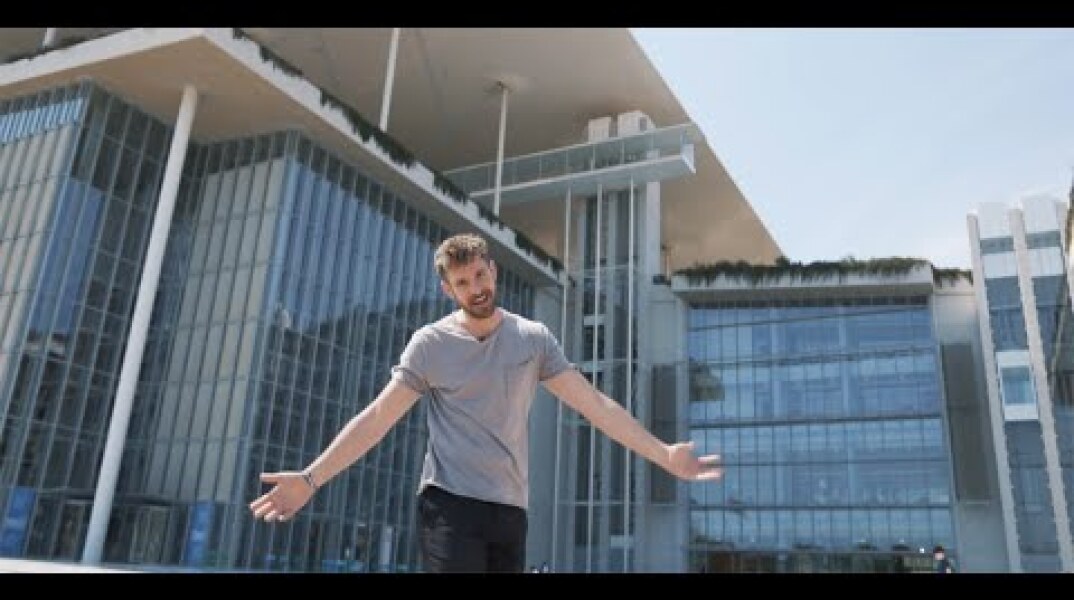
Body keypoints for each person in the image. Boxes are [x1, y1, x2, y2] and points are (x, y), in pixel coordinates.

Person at [249, 233, 723, 572]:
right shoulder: (430, 345)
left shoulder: (533, 339)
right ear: (448, 290)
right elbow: (377, 418)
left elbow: (594, 405)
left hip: (510, 510)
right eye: (462, 282)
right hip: (449, 505)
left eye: (480, 274)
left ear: (492, 270)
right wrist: (311, 478)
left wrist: (663, 454)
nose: (476, 288)